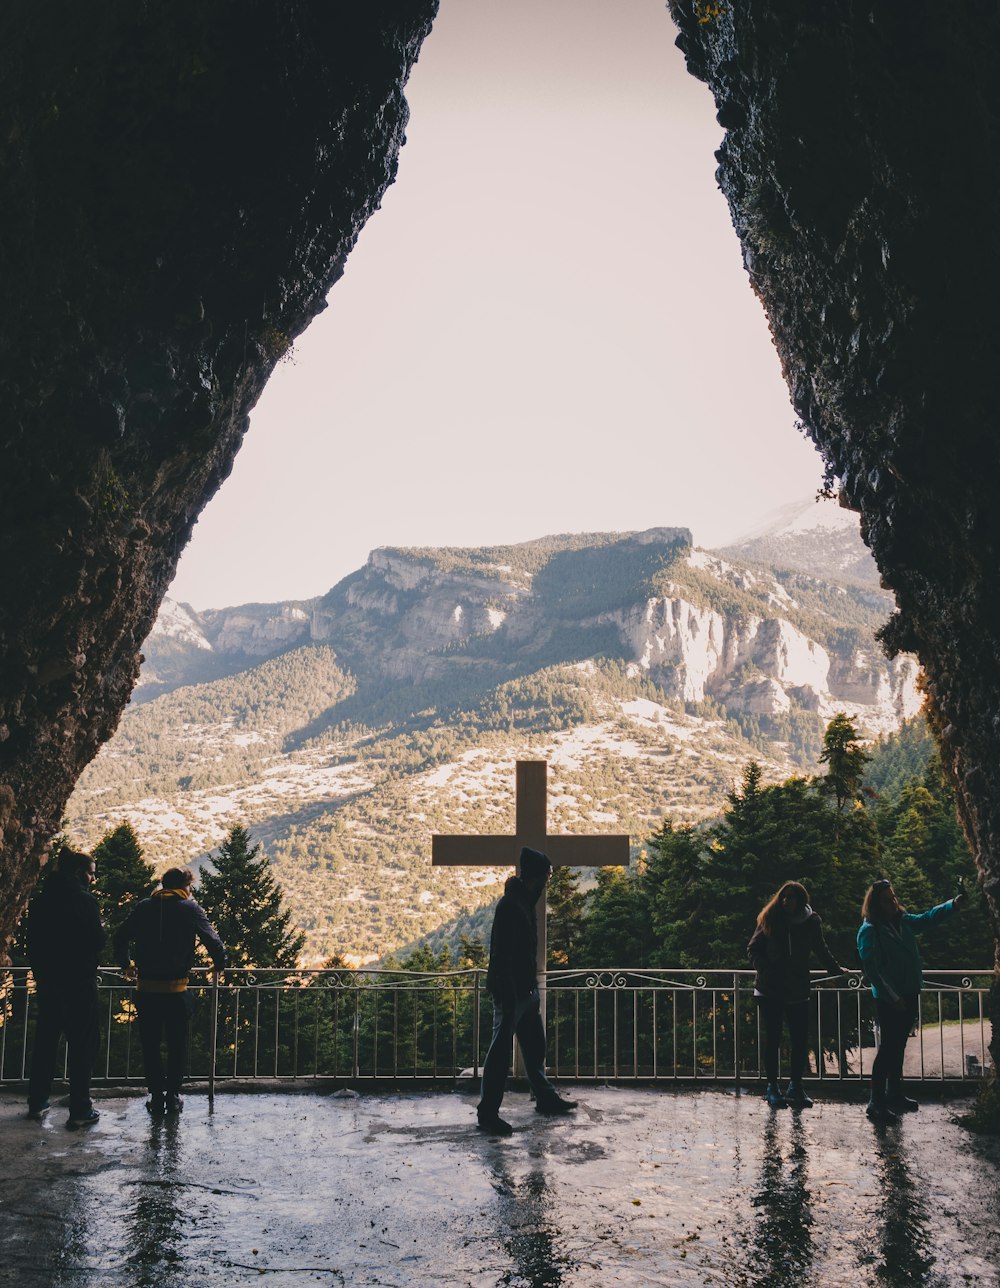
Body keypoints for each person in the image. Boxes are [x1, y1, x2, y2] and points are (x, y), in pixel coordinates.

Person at [476, 847, 577, 1135]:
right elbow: (503, 956)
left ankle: (545, 1097)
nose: (548, 880)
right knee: (499, 1055)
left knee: (534, 1047)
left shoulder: (521, 902)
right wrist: (509, 997)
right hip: (513, 993)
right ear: (537, 875)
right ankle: (488, 1113)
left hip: (524, 990)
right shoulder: (511, 906)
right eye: (547, 875)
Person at [114, 866, 226, 1115]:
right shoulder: (189, 908)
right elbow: (213, 941)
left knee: (150, 1044)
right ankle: (173, 1096)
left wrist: (126, 964)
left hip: (146, 990)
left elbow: (120, 936)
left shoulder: (144, 907)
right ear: (184, 886)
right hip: (177, 991)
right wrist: (219, 965)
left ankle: (155, 1096)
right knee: (177, 1045)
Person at [857, 878, 963, 1121]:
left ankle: (894, 1093)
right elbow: (872, 970)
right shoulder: (870, 930)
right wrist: (893, 997)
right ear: (875, 904)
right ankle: (876, 1102)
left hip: (909, 991)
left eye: (894, 897)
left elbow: (927, 919)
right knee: (887, 1049)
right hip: (889, 998)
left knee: (899, 1045)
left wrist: (953, 905)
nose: (893, 902)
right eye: (887, 900)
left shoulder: (903, 922)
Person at [748, 880, 850, 1109]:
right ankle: (772, 1087)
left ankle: (795, 1086)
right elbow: (753, 948)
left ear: (800, 899)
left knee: (799, 1040)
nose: (786, 901)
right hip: (769, 989)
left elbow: (821, 948)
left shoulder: (810, 922)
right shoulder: (770, 919)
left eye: (791, 897)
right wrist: (767, 970)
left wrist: (835, 970)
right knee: (773, 1039)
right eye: (784, 897)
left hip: (797, 989)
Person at [26, 847, 105, 1129]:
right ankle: (80, 1109)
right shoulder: (84, 902)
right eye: (90, 873)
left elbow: (32, 943)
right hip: (78, 984)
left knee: (46, 1042)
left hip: (48, 983)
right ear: (78, 872)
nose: (92, 879)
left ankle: (37, 1102)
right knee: (83, 1046)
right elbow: (98, 941)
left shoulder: (41, 901)